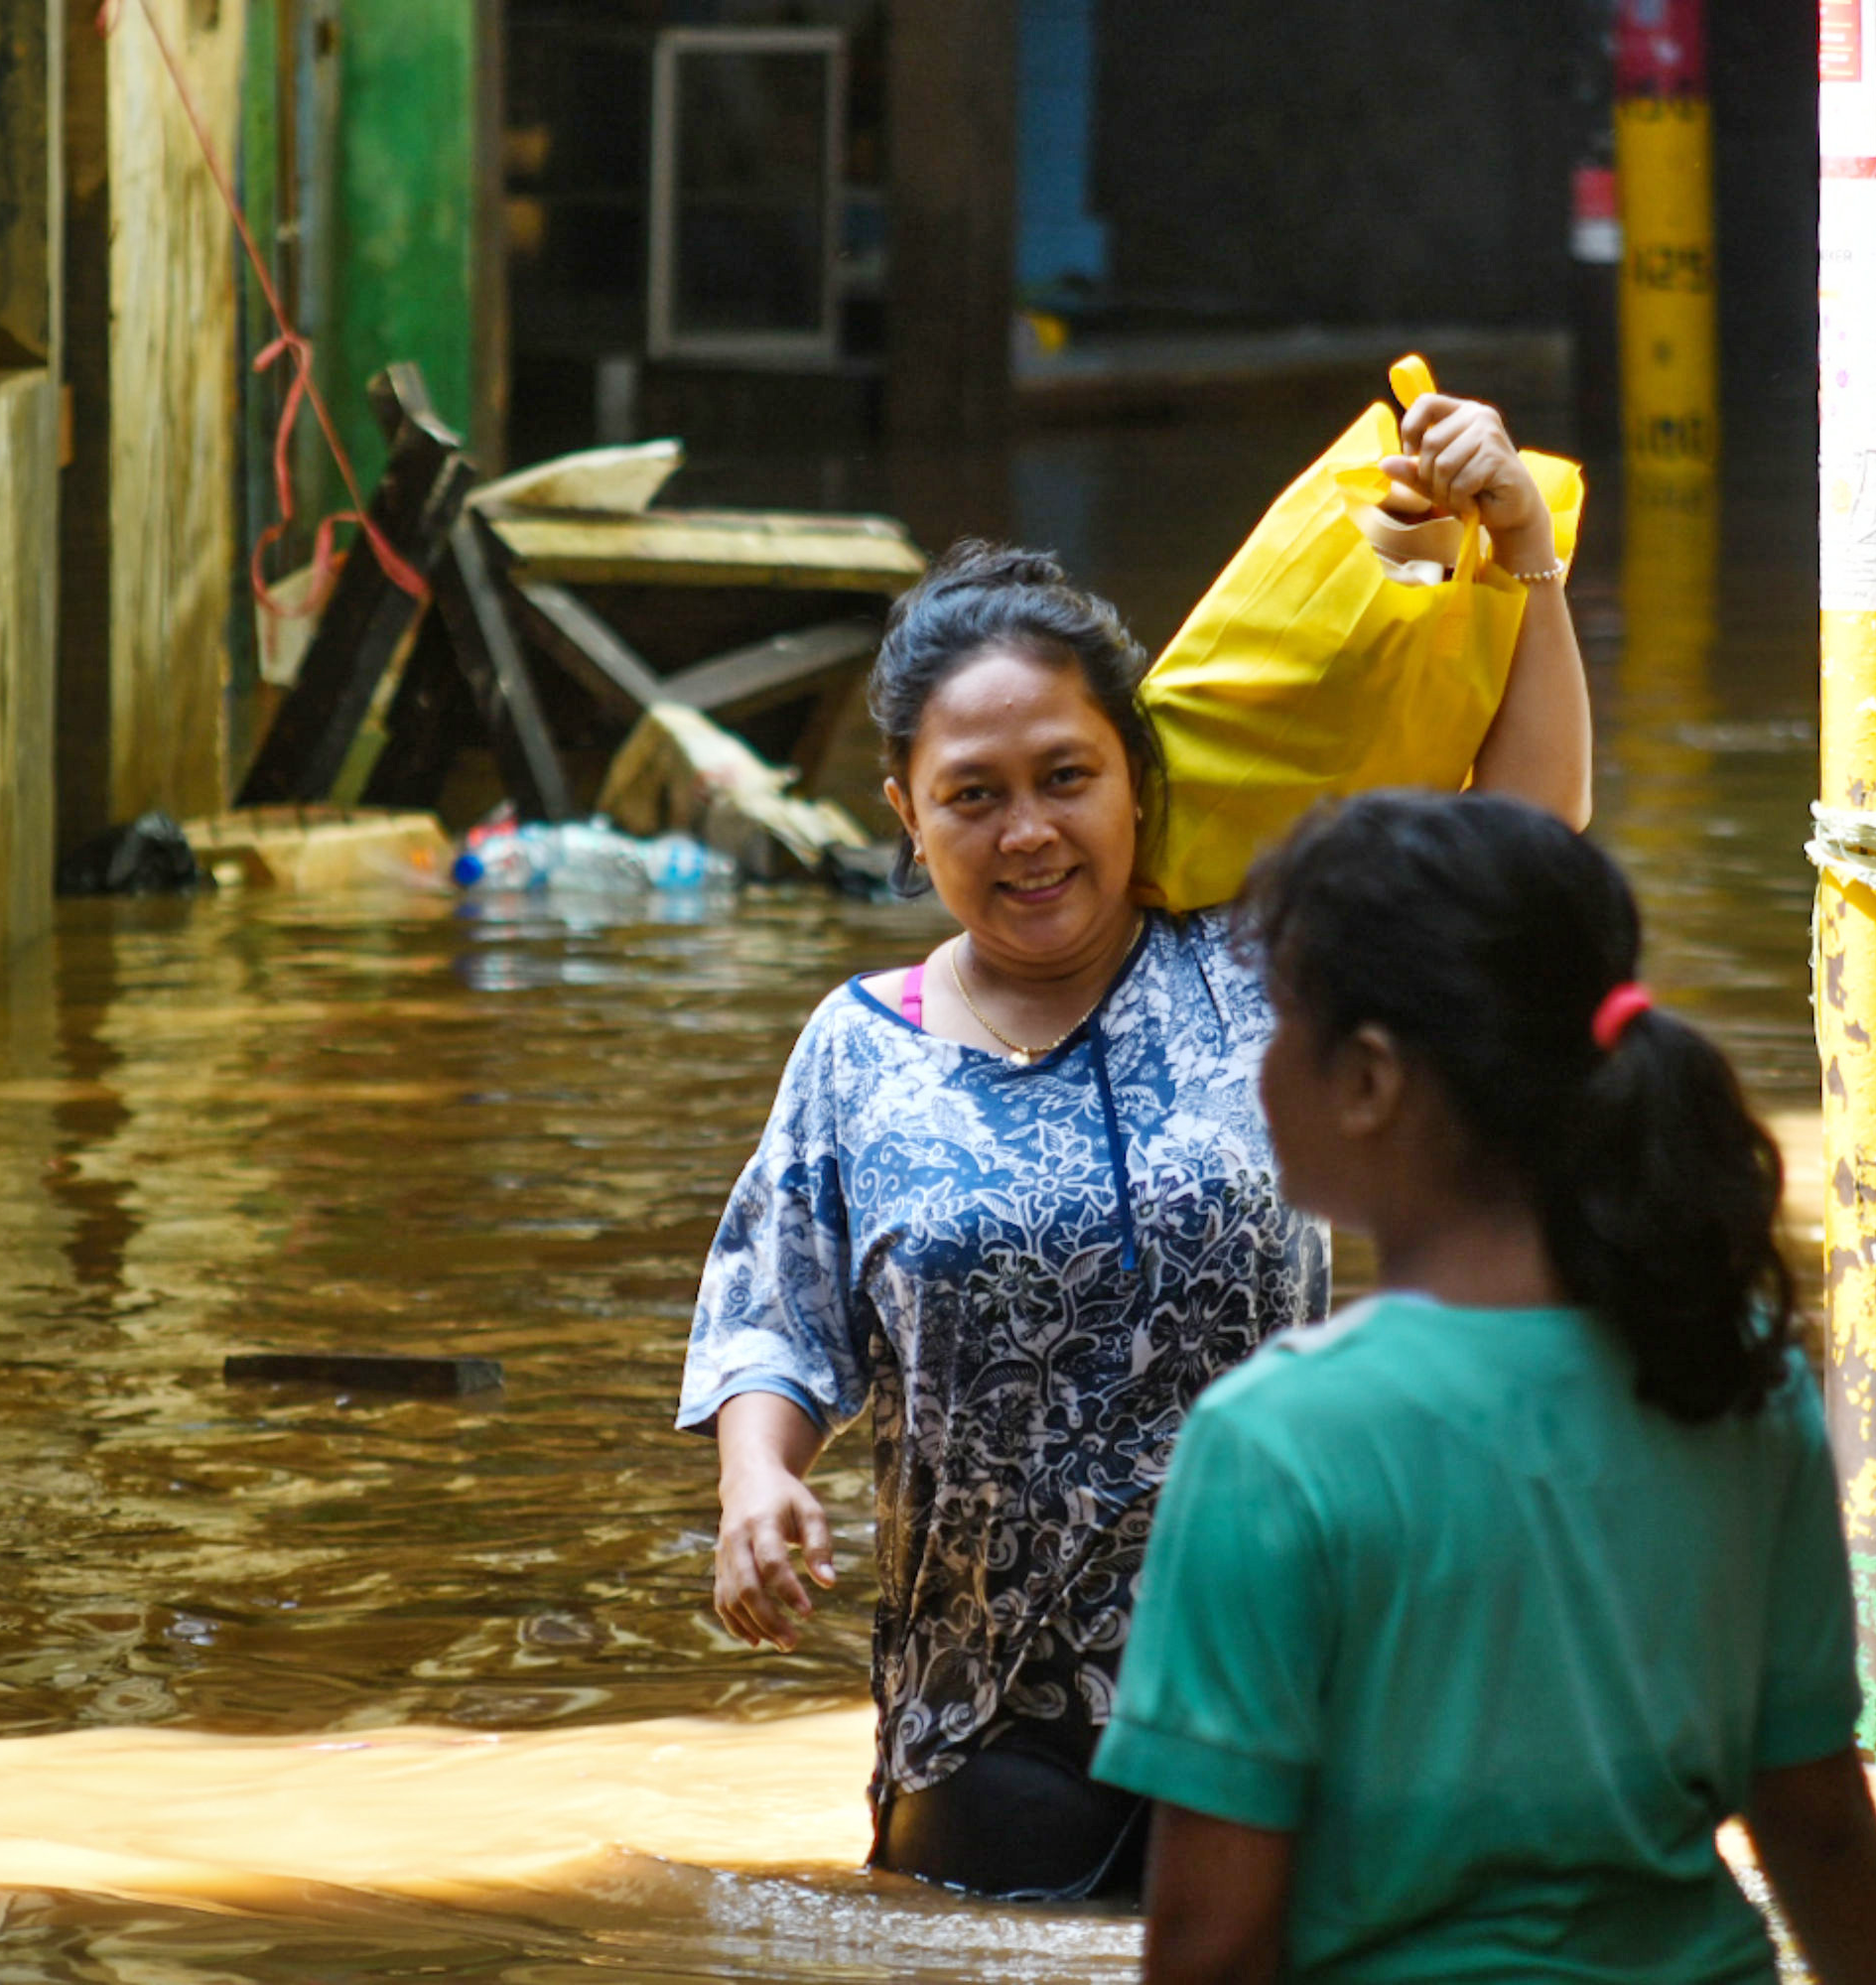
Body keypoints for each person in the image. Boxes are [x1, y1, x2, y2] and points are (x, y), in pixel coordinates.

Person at [677, 394, 1592, 1900]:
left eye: (1064, 777)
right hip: (987, 1740)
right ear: (908, 817)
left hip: (1284, 1710)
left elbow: (1529, 847)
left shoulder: (1258, 974)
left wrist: (1526, 558)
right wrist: (754, 1486)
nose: (1026, 832)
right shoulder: (861, 1048)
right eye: (974, 797)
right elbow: (777, 1313)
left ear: (1136, 780)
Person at [1090, 792, 1876, 1985]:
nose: (1259, 1068)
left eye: (1279, 1023)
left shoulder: (1273, 1440)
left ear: (1371, 1077)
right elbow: (1821, 1822)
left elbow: (1211, 1938)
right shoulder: (1733, 1366)